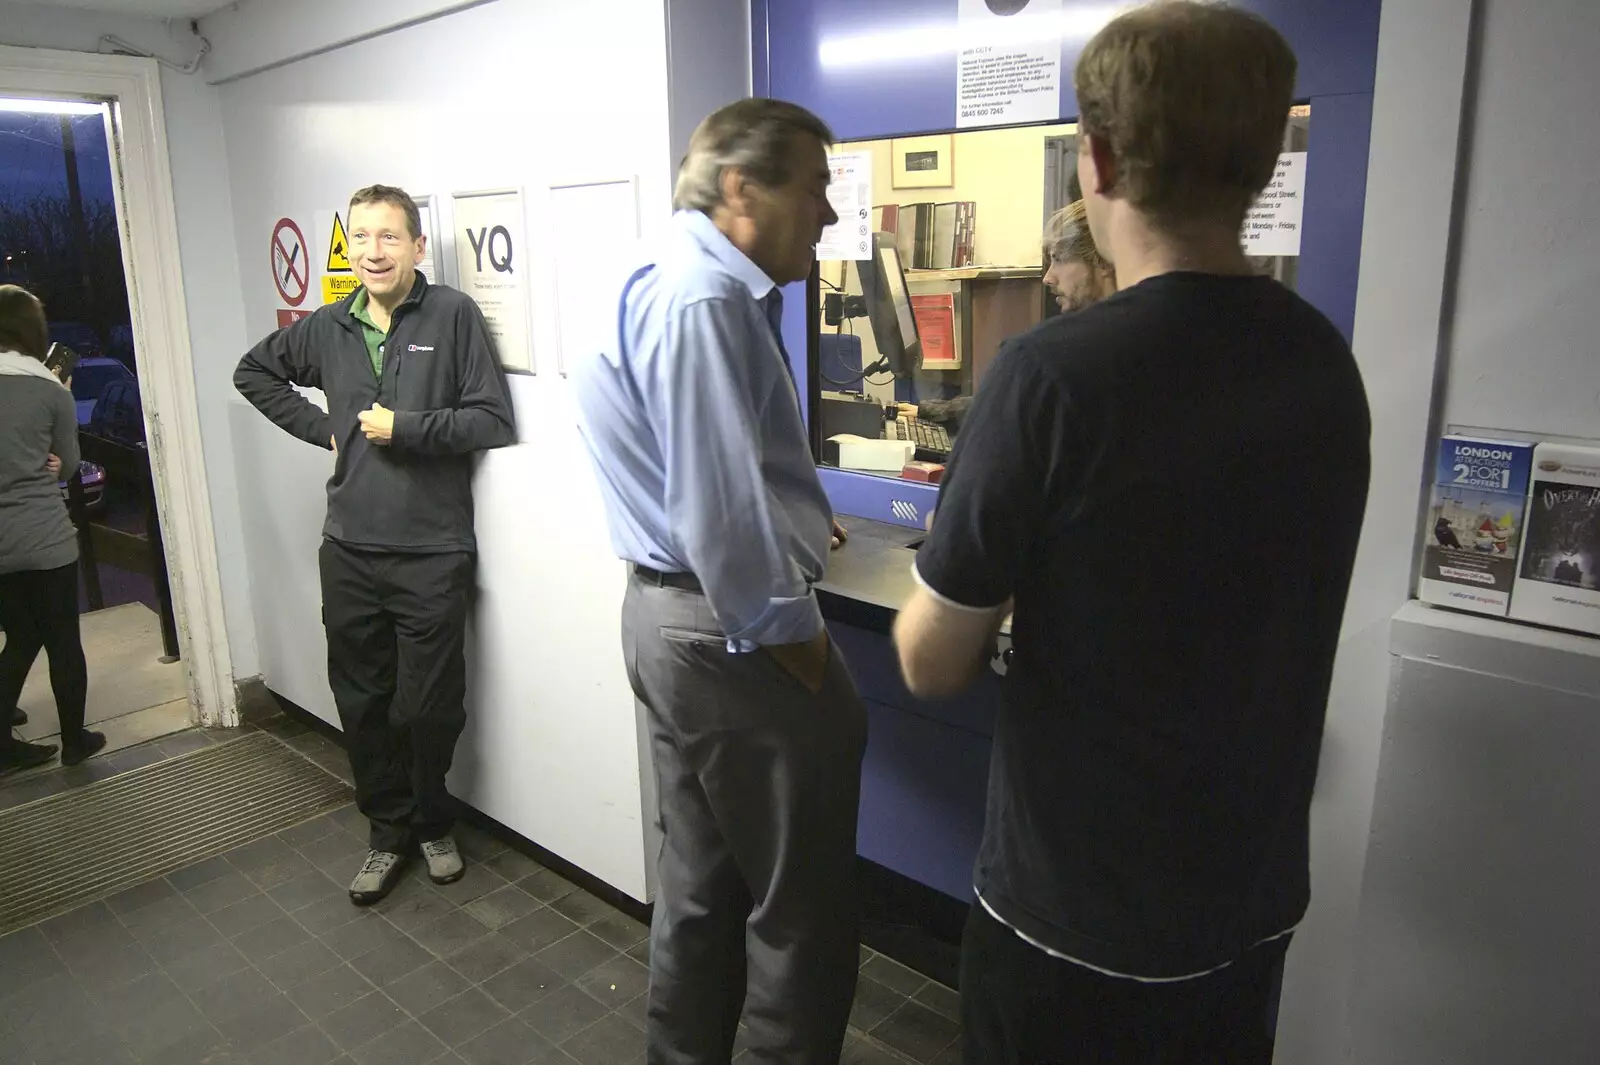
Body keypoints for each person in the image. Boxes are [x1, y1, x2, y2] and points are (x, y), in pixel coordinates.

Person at [892, 4, 1372, 1063]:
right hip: (1243, 906)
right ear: (1258, 161)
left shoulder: (1050, 376)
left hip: (1075, 920)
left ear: (1095, 161)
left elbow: (928, 662)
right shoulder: (1320, 362)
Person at [572, 99, 866, 1065]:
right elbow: (718, 516)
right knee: (802, 915)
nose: (827, 216)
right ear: (742, 188)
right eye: (815, 189)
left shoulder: (661, 274)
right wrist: (801, 640)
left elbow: (700, 463)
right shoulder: (704, 298)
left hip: (670, 619)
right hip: (732, 633)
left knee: (699, 893)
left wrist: (793, 507)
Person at [235, 185, 515, 904]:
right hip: (349, 548)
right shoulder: (329, 325)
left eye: (388, 237)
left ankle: (432, 818)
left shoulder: (451, 315)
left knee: (426, 706)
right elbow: (253, 371)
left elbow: (491, 419)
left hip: (432, 550)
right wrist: (321, 427)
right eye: (360, 238)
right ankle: (387, 833)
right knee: (361, 700)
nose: (372, 251)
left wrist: (408, 429)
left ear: (418, 246)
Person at [0, 285, 106, 775]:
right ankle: (75, 741)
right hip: (43, 537)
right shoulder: (47, 388)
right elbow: (69, 467)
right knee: (63, 640)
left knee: (20, 637)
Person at [902, 199, 1114, 433]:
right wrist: (935, 412)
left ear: (1101, 259)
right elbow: (1018, 405)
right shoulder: (1088, 341)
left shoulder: (1097, 354)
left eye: (1059, 259)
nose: (1048, 278)